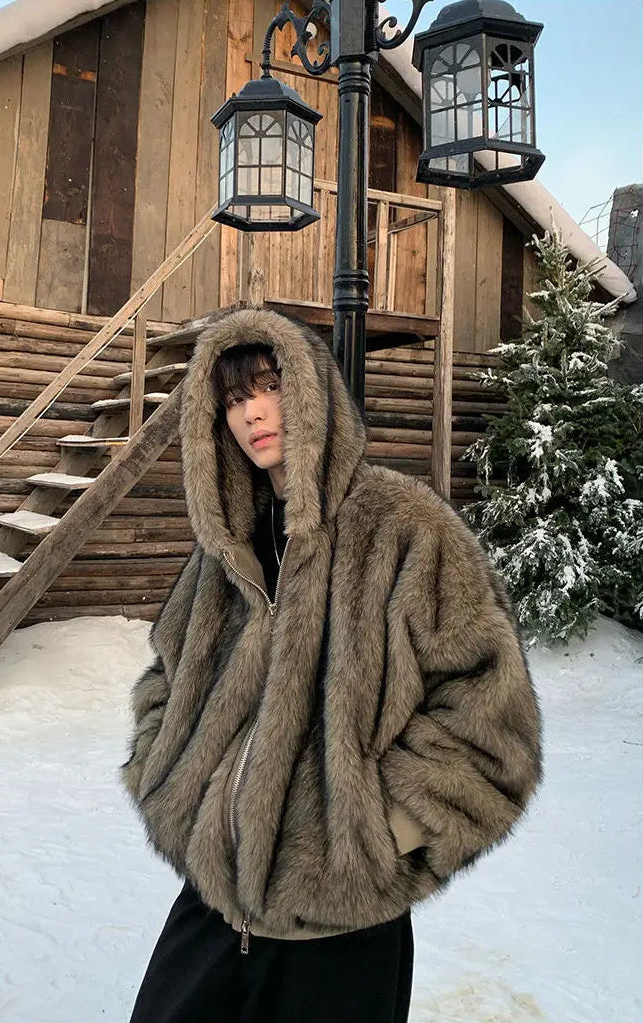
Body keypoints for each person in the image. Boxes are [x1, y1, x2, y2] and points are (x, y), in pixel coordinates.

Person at [121, 308, 543, 1022]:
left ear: (311, 389)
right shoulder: (227, 547)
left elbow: (494, 721)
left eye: (268, 385)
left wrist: (376, 838)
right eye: (231, 400)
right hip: (216, 910)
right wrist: (171, 781)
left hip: (344, 935)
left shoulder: (404, 528)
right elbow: (167, 673)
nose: (253, 413)